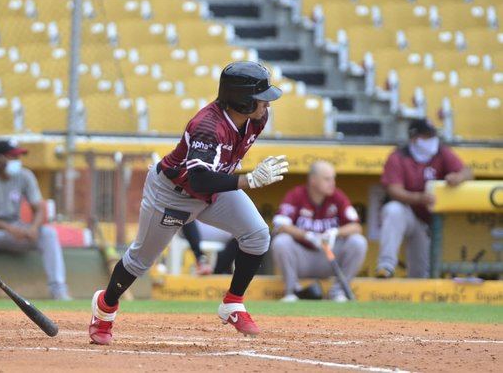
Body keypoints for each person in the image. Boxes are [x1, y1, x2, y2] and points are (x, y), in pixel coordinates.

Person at [89, 61, 288, 345]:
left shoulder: (256, 119)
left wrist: (239, 180)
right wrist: (248, 181)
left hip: (214, 190)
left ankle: (233, 303)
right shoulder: (208, 126)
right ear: (241, 100)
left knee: (257, 235)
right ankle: (105, 308)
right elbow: (197, 180)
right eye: (260, 99)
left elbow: (213, 177)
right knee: (140, 261)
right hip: (173, 193)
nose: (266, 106)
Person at [0, 141, 71, 301]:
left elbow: (39, 209)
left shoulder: (25, 175)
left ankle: (59, 290)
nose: (17, 160)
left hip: (16, 229)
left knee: (48, 233)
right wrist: (7, 228)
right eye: (13, 156)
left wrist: (33, 228)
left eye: (18, 156)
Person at [376, 119, 472, 278]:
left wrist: (458, 177)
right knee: (393, 210)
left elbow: (468, 172)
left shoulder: (441, 152)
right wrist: (419, 198)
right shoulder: (399, 156)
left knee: (420, 275)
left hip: (426, 221)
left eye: (433, 136)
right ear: (414, 138)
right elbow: (393, 190)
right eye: (427, 136)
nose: (432, 140)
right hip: (407, 213)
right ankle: (386, 266)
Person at [271, 161, 367, 302]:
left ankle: (338, 292)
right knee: (281, 242)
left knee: (358, 242)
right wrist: (307, 236)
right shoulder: (297, 195)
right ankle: (292, 291)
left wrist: (335, 232)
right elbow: (280, 224)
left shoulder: (337, 196)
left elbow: (356, 226)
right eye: (327, 179)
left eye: (333, 178)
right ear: (313, 180)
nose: (332, 183)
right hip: (303, 257)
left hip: (329, 256)